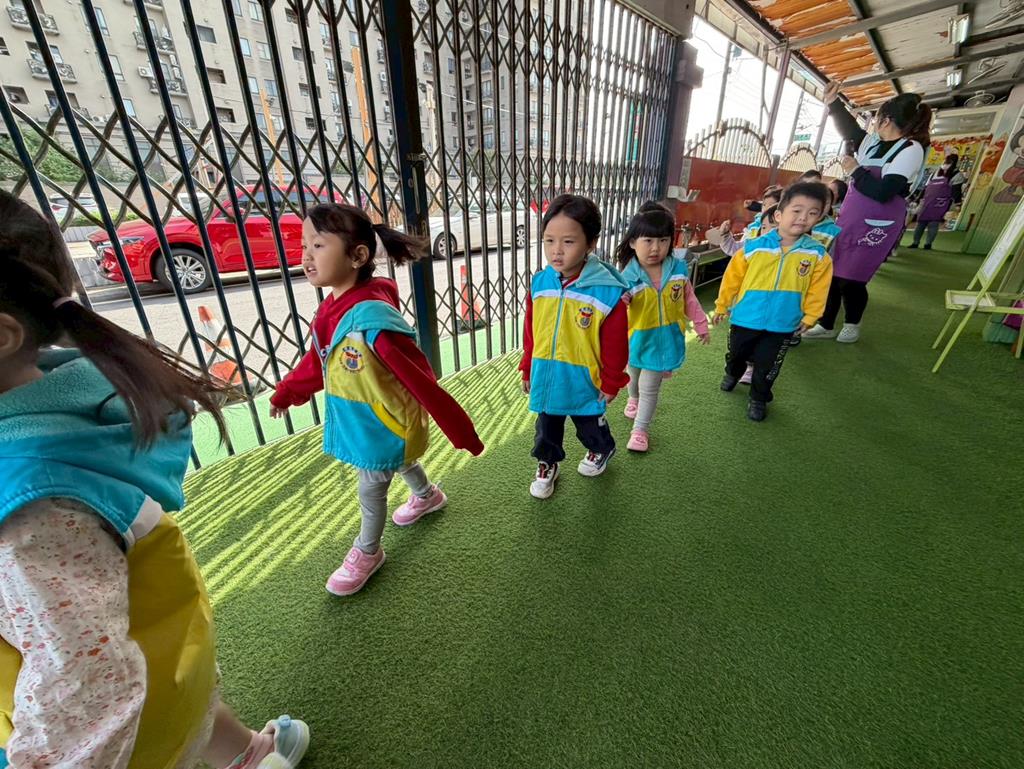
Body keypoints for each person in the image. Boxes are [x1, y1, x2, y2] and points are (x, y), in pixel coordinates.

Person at [0, 189, 309, 769]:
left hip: (136, 728)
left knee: (181, 722)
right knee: (197, 712)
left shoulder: (30, 506)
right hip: (172, 660)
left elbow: (87, 691)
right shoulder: (76, 409)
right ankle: (255, 752)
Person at [270, 203, 483, 595]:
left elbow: (422, 380)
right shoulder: (332, 310)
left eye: (318, 245)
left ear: (357, 256)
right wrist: (287, 392)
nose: (306, 256)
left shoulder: (373, 324)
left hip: (385, 423)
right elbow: (318, 362)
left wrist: (460, 432)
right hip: (368, 419)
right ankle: (427, 496)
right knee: (398, 463)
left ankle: (368, 551)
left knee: (371, 488)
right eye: (304, 245)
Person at [519, 194, 629, 498]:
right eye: (549, 240)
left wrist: (611, 380)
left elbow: (616, 345)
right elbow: (531, 331)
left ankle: (602, 449)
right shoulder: (540, 283)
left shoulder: (608, 292)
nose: (556, 250)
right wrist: (527, 366)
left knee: (589, 424)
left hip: (585, 378)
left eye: (568, 242)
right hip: (546, 374)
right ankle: (547, 463)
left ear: (591, 243)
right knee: (546, 427)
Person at [803, 82, 930, 344]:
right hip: (851, 218)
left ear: (886, 120)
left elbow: (884, 192)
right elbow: (850, 129)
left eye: (878, 118)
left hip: (877, 224)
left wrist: (855, 170)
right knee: (832, 273)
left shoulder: (911, 149)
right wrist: (833, 103)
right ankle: (826, 324)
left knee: (853, 279)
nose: (874, 124)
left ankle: (852, 324)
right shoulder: (872, 143)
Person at [713, 182, 833, 422]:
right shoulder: (752, 248)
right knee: (737, 354)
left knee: (768, 365)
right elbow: (731, 279)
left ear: (819, 218)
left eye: (812, 213)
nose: (803, 218)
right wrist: (722, 305)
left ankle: (759, 397)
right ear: (779, 215)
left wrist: (811, 315)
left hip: (783, 323)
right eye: (796, 210)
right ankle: (733, 372)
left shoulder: (818, 255)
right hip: (745, 318)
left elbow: (818, 289)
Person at [614, 202, 710, 452]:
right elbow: (616, 308)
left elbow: (689, 299)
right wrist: (620, 303)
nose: (656, 248)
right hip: (636, 340)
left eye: (663, 240)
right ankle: (632, 398)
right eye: (648, 241)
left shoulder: (678, 270)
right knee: (633, 377)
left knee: (649, 387)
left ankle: (640, 431)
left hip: (665, 341)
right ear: (633, 242)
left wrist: (701, 323)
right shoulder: (627, 277)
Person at [910, 154, 958, 250]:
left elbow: (956, 190)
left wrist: (956, 202)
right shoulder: (937, 173)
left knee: (928, 223)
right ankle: (920, 243)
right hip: (931, 201)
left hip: (937, 203)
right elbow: (925, 187)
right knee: (925, 223)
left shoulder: (954, 174)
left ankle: (923, 243)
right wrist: (918, 199)